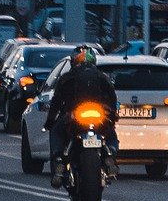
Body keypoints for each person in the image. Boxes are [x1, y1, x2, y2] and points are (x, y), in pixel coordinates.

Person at [43, 45, 119, 188]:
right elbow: (112, 98)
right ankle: (111, 155)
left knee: (56, 131)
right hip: (99, 115)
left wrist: (50, 121)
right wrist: (113, 116)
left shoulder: (66, 77)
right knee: (111, 133)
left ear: (73, 61)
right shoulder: (102, 77)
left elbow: (56, 102)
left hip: (75, 115)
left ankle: (58, 159)